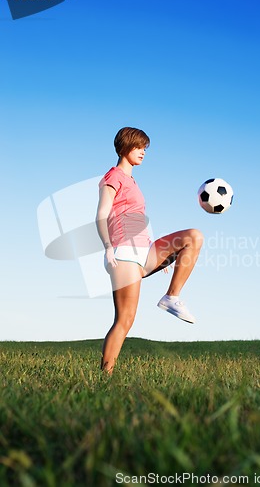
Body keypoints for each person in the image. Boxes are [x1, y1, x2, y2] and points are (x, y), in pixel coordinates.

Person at [96, 127, 203, 374]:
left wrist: (160, 255)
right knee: (125, 320)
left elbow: (137, 219)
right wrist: (108, 247)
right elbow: (102, 214)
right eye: (139, 147)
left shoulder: (132, 181)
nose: (144, 152)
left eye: (145, 148)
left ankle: (171, 297)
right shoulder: (113, 177)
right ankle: (105, 378)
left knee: (193, 237)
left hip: (143, 251)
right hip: (122, 254)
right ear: (125, 147)